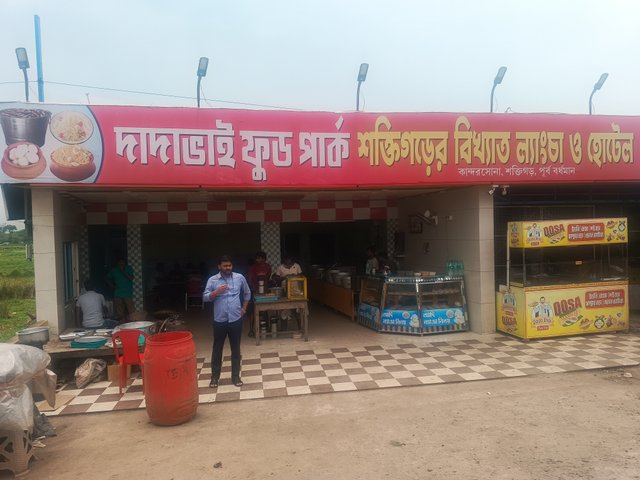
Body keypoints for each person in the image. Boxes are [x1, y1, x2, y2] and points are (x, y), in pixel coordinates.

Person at [203, 254, 251, 388]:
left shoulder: (239, 277)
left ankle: (235, 377)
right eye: (225, 266)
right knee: (217, 349)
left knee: (236, 349)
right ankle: (214, 378)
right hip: (219, 321)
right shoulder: (213, 280)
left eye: (229, 265)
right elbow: (205, 297)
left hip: (236, 319)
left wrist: (244, 309)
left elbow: (247, 293)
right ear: (219, 266)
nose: (228, 268)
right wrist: (216, 292)